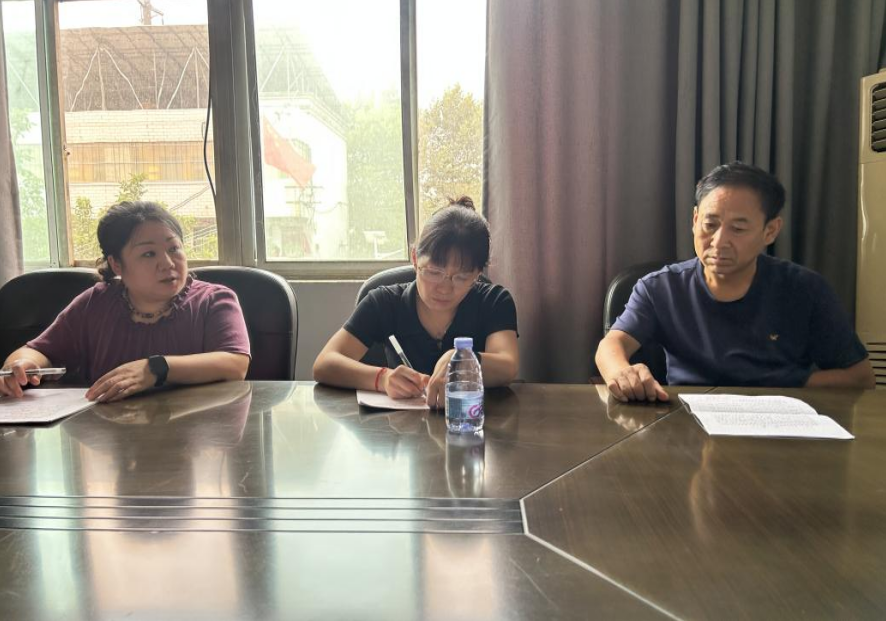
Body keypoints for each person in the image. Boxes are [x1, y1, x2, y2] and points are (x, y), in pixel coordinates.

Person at [595, 161, 874, 402]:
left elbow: (860, 378)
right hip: (686, 422)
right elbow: (611, 346)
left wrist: (786, 383)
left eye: (738, 228)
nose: (719, 242)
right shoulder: (660, 288)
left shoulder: (805, 290)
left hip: (778, 424)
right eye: (710, 225)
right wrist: (623, 372)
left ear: (770, 231)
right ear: (694, 220)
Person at [1, 201, 251, 402]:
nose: (167, 263)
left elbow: (235, 364)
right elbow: (39, 350)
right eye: (149, 253)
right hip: (111, 437)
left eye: (174, 249)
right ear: (117, 264)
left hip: (197, 435)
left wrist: (155, 369)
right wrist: (19, 366)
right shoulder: (96, 303)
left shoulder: (214, 300)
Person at [313, 196, 519, 408]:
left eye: (461, 277)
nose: (444, 288)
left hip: (471, 419)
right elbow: (325, 363)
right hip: (401, 425)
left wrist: (464, 360)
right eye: (433, 272)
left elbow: (508, 366)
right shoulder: (384, 302)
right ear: (414, 258)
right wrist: (383, 378)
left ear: (478, 273)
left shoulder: (494, 301)